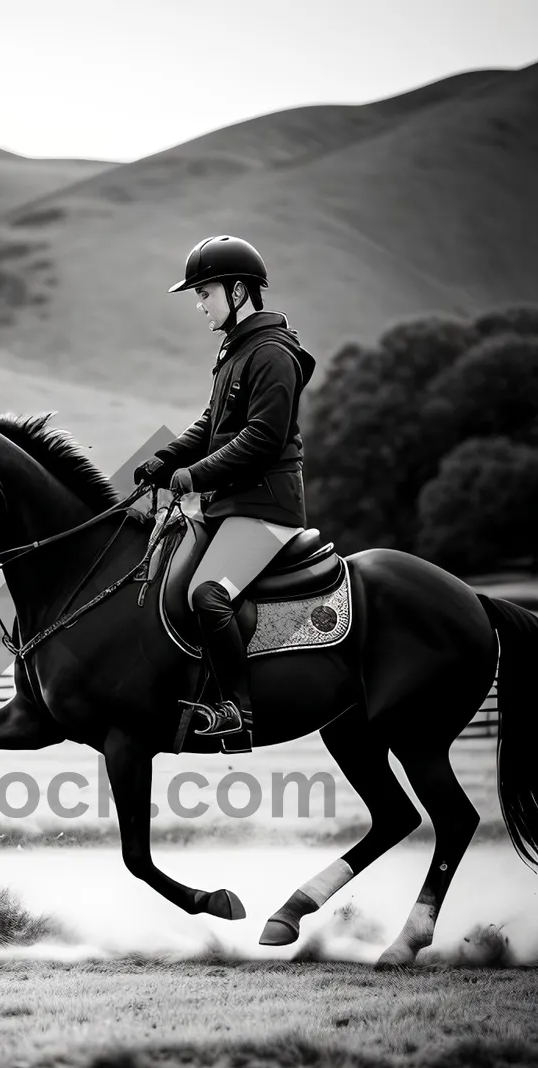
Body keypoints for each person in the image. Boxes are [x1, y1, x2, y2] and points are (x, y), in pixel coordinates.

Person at [134, 235, 316, 744]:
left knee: (207, 593)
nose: (199, 305)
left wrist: (196, 476)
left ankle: (237, 711)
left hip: (265, 506)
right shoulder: (235, 352)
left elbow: (263, 437)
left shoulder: (273, 354)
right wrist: (167, 459)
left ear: (238, 293)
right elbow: (212, 425)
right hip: (231, 505)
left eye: (205, 293)